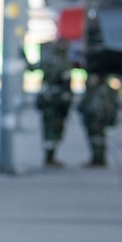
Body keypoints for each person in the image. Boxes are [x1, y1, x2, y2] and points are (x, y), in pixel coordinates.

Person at [26, 39, 74, 167]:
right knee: (55, 129)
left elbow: (31, 68)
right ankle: (50, 158)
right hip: (57, 101)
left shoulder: (49, 62)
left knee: (50, 129)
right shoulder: (64, 62)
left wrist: (24, 55)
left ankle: (49, 157)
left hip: (50, 100)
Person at [78, 71, 119, 168]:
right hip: (93, 117)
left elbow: (106, 106)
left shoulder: (102, 90)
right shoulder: (94, 89)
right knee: (95, 138)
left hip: (97, 117)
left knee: (97, 138)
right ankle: (97, 159)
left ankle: (98, 159)